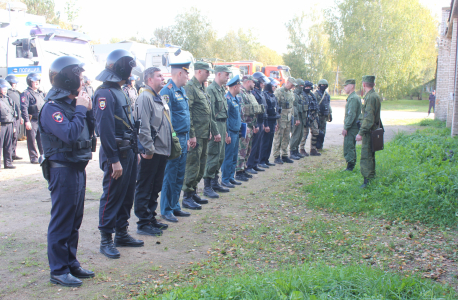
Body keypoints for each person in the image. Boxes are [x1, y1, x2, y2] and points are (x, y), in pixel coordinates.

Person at [39, 56, 95, 287]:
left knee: (75, 220)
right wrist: (82, 109)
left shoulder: (71, 105)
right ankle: (58, 270)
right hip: (62, 170)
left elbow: (88, 131)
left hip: (76, 168)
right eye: (79, 77)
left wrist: (87, 110)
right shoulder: (52, 109)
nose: (82, 81)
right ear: (69, 78)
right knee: (62, 221)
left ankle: (70, 262)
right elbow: (70, 134)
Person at [94, 49, 144, 259]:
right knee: (112, 196)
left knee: (127, 195)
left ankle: (121, 233)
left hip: (128, 151)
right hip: (116, 155)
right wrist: (114, 160)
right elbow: (104, 130)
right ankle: (106, 239)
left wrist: (137, 149)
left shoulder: (119, 89)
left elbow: (129, 122)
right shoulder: (104, 92)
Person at [134, 67, 170, 236]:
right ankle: (143, 222)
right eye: (159, 76)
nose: (163, 78)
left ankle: (151, 218)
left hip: (162, 150)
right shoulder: (145, 97)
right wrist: (147, 148)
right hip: (152, 151)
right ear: (149, 80)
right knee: (145, 186)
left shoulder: (158, 98)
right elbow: (143, 125)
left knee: (155, 186)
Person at [159, 62, 196, 223]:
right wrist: (174, 139)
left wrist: (187, 137)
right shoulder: (167, 91)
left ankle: (175, 206)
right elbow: (167, 119)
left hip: (183, 136)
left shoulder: (181, 90)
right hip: (174, 138)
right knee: (170, 174)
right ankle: (166, 209)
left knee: (180, 174)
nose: (188, 77)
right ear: (179, 73)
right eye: (186, 73)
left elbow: (185, 116)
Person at [181, 62, 214, 209]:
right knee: (192, 165)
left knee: (201, 166)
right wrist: (192, 134)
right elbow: (189, 113)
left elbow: (206, 112)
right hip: (196, 135)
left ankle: (193, 192)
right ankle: (187, 196)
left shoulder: (202, 88)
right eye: (207, 72)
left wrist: (210, 130)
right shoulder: (190, 87)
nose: (209, 74)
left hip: (204, 133)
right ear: (199, 71)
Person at [203, 66, 230, 198]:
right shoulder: (211, 90)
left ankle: (215, 182)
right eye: (226, 74)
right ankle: (207, 186)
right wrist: (214, 131)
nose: (228, 77)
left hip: (222, 124)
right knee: (213, 156)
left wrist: (224, 132)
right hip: (215, 125)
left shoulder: (221, 90)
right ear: (219, 74)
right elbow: (211, 113)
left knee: (220, 156)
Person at [356, 75, 381, 188]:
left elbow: (369, 118)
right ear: (373, 84)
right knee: (370, 154)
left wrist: (361, 133)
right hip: (373, 129)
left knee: (366, 155)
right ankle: (371, 177)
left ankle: (367, 180)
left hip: (369, 131)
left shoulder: (370, 97)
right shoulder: (374, 95)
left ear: (364, 84)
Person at [235, 75, 262, 180]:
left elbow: (253, 111)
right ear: (248, 82)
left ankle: (244, 169)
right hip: (245, 126)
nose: (254, 84)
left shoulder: (249, 94)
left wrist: (254, 125)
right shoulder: (241, 94)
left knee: (248, 149)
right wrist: (243, 127)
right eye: (253, 82)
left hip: (251, 125)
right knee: (242, 149)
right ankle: (239, 172)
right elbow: (241, 112)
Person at [244, 72, 269, 177]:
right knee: (252, 145)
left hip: (259, 120)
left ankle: (255, 164)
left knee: (258, 145)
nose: (263, 84)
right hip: (255, 121)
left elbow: (263, 108)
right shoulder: (252, 93)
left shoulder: (259, 93)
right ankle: (249, 166)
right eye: (261, 82)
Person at [221, 75, 242, 188]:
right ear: (235, 87)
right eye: (239, 86)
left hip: (236, 131)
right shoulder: (227, 99)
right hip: (230, 132)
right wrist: (227, 134)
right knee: (228, 157)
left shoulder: (235, 99)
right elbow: (226, 118)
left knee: (234, 156)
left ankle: (230, 177)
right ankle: (225, 179)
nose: (240, 88)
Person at [21, 72, 45, 164]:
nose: (37, 83)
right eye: (34, 81)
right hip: (32, 120)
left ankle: (43, 155)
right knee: (31, 139)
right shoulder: (26, 93)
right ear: (30, 82)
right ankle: (33, 157)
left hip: (41, 119)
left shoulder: (40, 93)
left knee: (42, 138)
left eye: (38, 81)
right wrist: (27, 121)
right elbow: (24, 108)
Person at [273, 77, 297, 164]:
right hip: (280, 118)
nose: (292, 87)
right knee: (278, 137)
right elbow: (275, 107)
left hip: (288, 118)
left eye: (293, 86)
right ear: (287, 82)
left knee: (286, 137)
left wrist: (293, 117)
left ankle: (284, 155)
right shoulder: (278, 92)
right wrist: (276, 121)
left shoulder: (291, 92)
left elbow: (292, 106)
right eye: (291, 85)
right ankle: (276, 156)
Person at [259, 78, 281, 167]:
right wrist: (266, 124)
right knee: (264, 142)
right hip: (267, 121)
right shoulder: (265, 95)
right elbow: (265, 111)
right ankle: (261, 161)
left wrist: (276, 123)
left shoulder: (273, 96)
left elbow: (276, 109)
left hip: (273, 120)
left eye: (275, 86)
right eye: (272, 86)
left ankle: (266, 159)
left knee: (270, 142)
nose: (274, 87)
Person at [342, 79, 362, 171]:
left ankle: (350, 167)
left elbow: (351, 114)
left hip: (352, 127)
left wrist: (346, 127)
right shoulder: (353, 97)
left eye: (346, 86)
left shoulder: (353, 98)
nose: (345, 88)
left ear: (352, 86)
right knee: (350, 146)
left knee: (349, 145)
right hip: (352, 126)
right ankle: (351, 164)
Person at [5, 75, 23, 161]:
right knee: (10, 136)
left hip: (18, 116)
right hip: (11, 117)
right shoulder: (7, 93)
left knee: (15, 136)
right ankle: (8, 155)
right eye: (13, 83)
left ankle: (13, 153)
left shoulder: (16, 92)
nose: (15, 85)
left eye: (15, 83)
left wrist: (21, 117)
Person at [0, 79, 16, 169]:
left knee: (8, 144)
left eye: (5, 87)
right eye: (3, 87)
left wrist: (13, 125)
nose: (5, 89)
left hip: (9, 123)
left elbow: (13, 112)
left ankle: (8, 163)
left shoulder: (8, 99)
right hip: (1, 124)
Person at [302, 81, 321, 156]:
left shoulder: (312, 95)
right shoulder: (302, 95)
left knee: (316, 132)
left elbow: (316, 107)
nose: (308, 88)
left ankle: (313, 149)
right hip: (305, 117)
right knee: (304, 134)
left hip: (313, 117)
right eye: (306, 87)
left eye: (309, 87)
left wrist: (316, 117)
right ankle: (301, 149)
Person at [289, 79, 306, 160]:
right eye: (300, 86)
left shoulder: (300, 95)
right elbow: (294, 107)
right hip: (297, 117)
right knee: (295, 135)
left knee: (300, 135)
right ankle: (292, 151)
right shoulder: (294, 95)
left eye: (303, 86)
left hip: (301, 117)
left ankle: (296, 150)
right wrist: (296, 118)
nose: (302, 88)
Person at [314, 79, 332, 150]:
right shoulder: (316, 94)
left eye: (325, 85)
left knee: (323, 131)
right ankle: (315, 146)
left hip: (324, 116)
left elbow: (328, 104)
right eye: (322, 85)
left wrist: (330, 113)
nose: (323, 86)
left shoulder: (327, 95)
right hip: (318, 115)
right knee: (316, 131)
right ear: (319, 86)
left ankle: (320, 146)